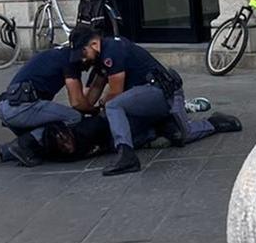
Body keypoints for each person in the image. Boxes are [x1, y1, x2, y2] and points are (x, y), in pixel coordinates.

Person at [73, 28, 242, 176]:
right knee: (171, 135)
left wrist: (100, 107)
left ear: (94, 44)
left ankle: (127, 157)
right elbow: (95, 88)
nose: (82, 59)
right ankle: (159, 128)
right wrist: (80, 113)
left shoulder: (112, 50)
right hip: (144, 100)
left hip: (162, 94)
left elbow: (116, 93)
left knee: (114, 106)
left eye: (83, 53)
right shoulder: (100, 57)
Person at [0, 42, 99, 167]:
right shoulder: (71, 61)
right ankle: (24, 143)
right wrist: (94, 110)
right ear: (84, 49)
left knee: (46, 143)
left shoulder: (54, 54)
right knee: (73, 118)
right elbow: (77, 102)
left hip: (6, 107)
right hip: (21, 109)